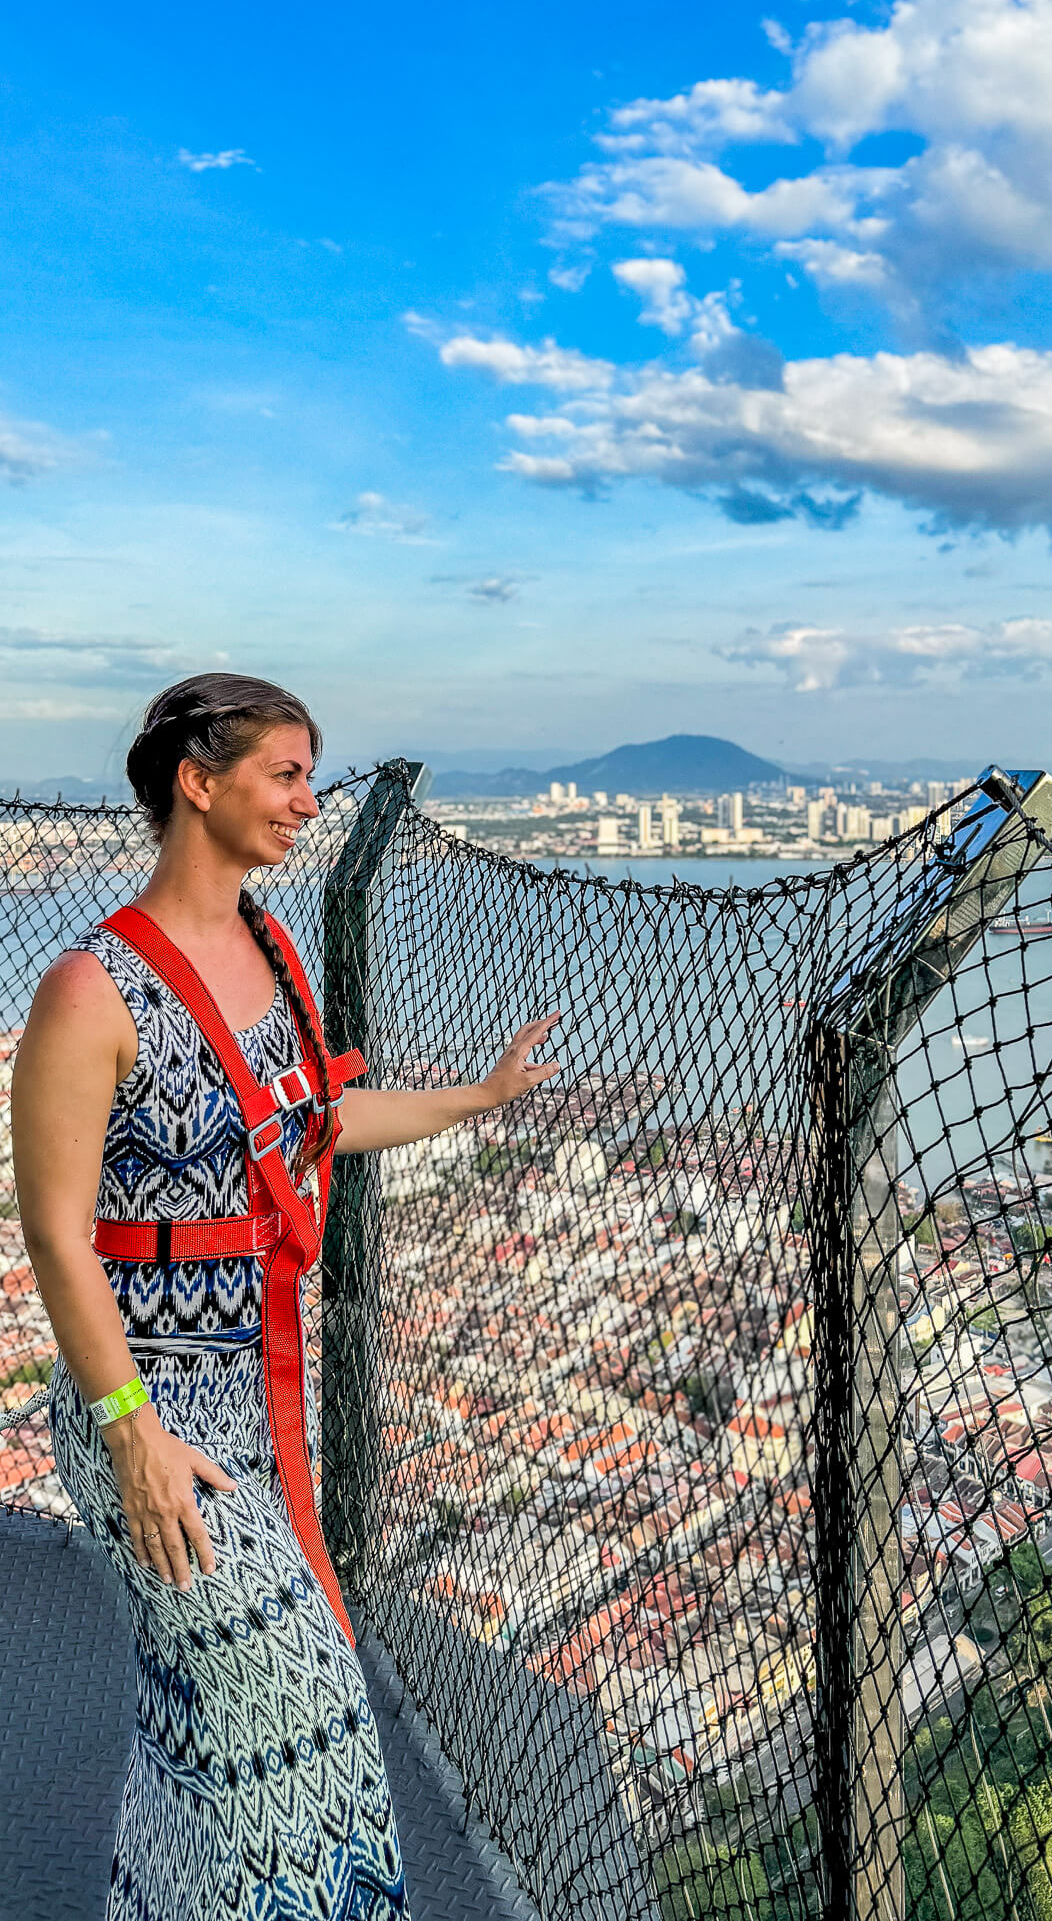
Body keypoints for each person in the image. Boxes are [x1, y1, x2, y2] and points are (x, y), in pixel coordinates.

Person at [11, 673, 561, 1920]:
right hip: (147, 1415)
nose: (310, 801)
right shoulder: (89, 992)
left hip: (260, 1403)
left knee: (198, 1721)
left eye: (314, 776)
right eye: (287, 774)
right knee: (293, 1708)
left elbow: (310, 1125)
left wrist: (476, 1100)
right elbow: (54, 1232)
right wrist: (133, 1432)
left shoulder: (273, 948)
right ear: (199, 783)